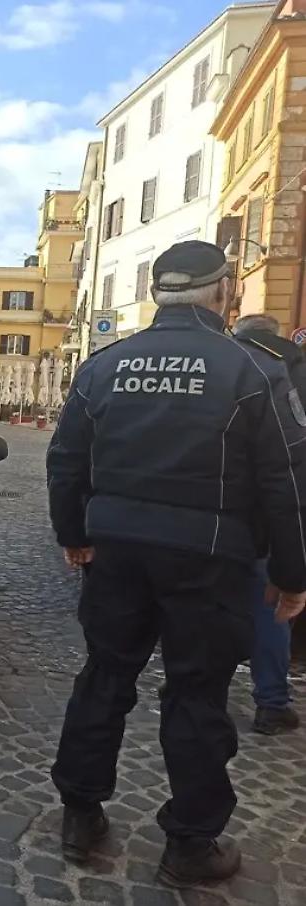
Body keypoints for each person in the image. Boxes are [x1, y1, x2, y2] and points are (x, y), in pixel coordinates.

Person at [46, 240, 306, 888]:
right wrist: (291, 573)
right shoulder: (252, 369)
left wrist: (73, 533)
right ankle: (190, 843)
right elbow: (286, 479)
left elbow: (65, 460)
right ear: (224, 291)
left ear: (157, 293)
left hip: (116, 549)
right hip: (209, 556)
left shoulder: (105, 365)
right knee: (197, 694)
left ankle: (80, 813)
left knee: (104, 677)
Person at [233, 313, 304, 735]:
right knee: (273, 607)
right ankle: (272, 703)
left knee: (213, 602)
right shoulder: (297, 367)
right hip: (281, 510)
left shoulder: (228, 365)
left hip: (222, 509)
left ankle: (197, 687)